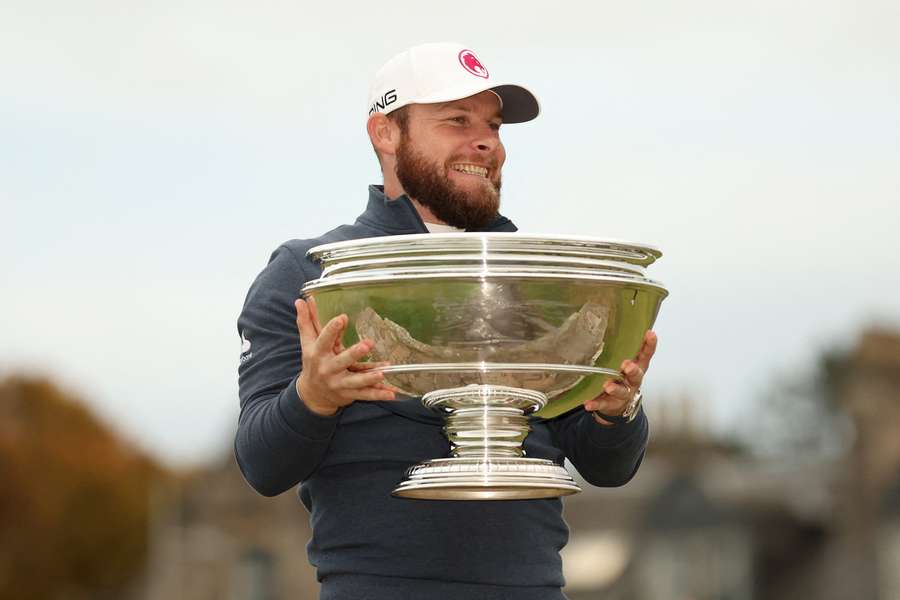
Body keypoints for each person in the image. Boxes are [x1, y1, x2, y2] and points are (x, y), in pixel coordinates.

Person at [236, 42, 657, 600]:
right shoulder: (313, 273)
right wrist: (312, 396)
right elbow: (261, 464)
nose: (485, 142)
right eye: (456, 121)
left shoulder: (541, 276)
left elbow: (607, 468)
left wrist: (616, 413)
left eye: (494, 125)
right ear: (385, 134)